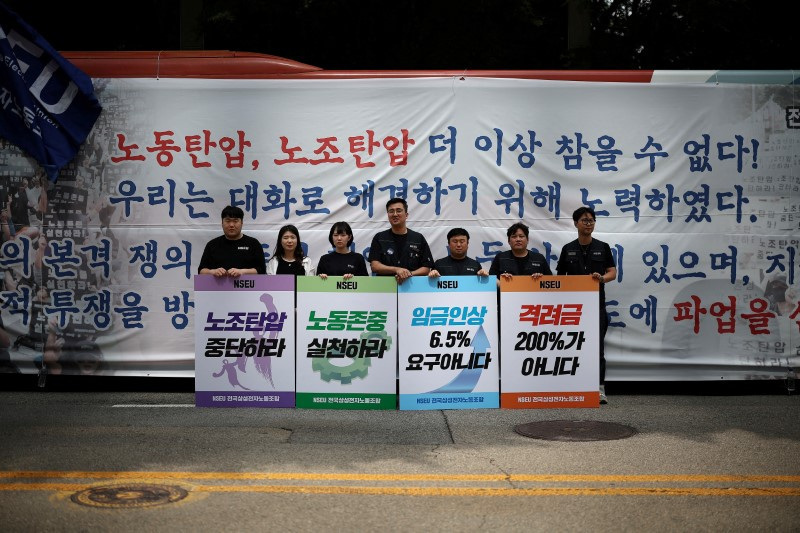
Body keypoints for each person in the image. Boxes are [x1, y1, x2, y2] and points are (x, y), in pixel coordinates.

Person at [556, 206, 617, 405]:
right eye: (584, 220)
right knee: (572, 346)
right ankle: (573, 385)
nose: (588, 223)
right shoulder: (568, 249)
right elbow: (560, 279)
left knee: (597, 348)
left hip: (596, 306)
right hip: (572, 309)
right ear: (575, 223)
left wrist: (601, 279)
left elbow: (612, 273)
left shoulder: (603, 246)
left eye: (591, 220)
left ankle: (599, 389)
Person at [368, 197, 434, 284]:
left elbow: (426, 268)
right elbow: (375, 266)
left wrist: (408, 274)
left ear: (406, 215)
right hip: (384, 288)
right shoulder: (380, 237)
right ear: (388, 215)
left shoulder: (418, 238)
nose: (395, 214)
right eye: (391, 211)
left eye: (399, 210)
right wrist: (396, 269)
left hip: (412, 287)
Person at [198, 205, 267, 277]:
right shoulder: (212, 244)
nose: (231, 225)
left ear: (242, 223)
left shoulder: (253, 244)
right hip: (217, 287)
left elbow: (262, 270)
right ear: (222, 223)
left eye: (235, 221)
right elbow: (201, 270)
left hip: (246, 287)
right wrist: (213, 272)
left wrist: (242, 271)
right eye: (227, 221)